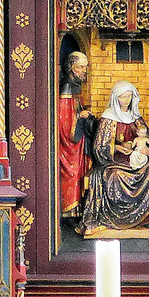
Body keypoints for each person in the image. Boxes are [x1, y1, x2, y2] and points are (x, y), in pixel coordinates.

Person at [78, 81, 149, 236]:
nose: (126, 100)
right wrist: (117, 148)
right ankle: (117, 220)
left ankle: (148, 218)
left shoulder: (136, 117)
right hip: (114, 162)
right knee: (114, 176)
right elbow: (99, 147)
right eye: (123, 97)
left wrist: (147, 150)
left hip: (137, 160)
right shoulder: (108, 118)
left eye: (129, 97)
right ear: (116, 98)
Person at [56, 50, 95, 217]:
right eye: (80, 67)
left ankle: (77, 208)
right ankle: (69, 210)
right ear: (71, 67)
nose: (83, 71)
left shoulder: (75, 84)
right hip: (70, 144)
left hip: (79, 141)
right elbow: (64, 120)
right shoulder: (67, 85)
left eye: (85, 67)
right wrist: (80, 116)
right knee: (72, 173)